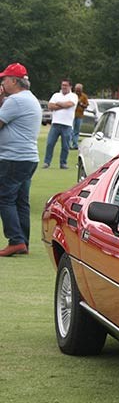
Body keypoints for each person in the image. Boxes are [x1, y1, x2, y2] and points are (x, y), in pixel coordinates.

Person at [0, 63, 41, 257]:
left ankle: (15, 241)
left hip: (13, 158)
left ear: (14, 81)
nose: (2, 82)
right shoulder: (28, 98)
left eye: (5, 79)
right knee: (20, 201)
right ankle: (22, 241)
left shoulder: (15, 101)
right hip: (27, 158)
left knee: (5, 199)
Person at [44, 78, 78, 169]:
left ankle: (63, 163)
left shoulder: (73, 96)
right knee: (50, 143)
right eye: (63, 85)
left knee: (65, 145)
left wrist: (58, 104)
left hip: (67, 125)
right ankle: (47, 162)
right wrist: (63, 105)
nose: (64, 87)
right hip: (55, 123)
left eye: (66, 85)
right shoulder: (56, 95)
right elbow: (50, 106)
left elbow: (69, 105)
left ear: (70, 86)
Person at [71, 83, 89, 149]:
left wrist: (80, 104)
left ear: (81, 90)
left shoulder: (84, 96)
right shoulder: (72, 95)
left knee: (76, 130)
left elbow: (86, 105)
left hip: (79, 115)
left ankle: (75, 145)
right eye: (76, 90)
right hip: (71, 115)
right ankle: (69, 144)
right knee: (71, 130)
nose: (78, 91)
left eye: (79, 90)